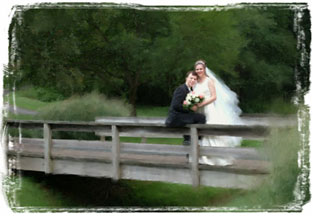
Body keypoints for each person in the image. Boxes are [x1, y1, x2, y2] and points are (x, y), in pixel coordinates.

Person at [193, 60, 243, 166]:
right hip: (199, 110)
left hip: (209, 109)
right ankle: (203, 156)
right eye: (197, 69)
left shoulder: (209, 81)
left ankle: (217, 156)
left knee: (210, 129)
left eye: (201, 69)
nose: (199, 71)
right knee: (200, 130)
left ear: (204, 69)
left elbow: (214, 96)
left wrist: (202, 103)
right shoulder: (196, 82)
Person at [165, 71, 206, 145]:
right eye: (191, 78)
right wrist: (189, 108)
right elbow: (176, 105)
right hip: (176, 117)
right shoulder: (181, 89)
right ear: (186, 78)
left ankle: (189, 139)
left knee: (197, 117)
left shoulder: (191, 90)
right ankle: (195, 139)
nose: (193, 80)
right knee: (201, 118)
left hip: (182, 115)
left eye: (195, 79)